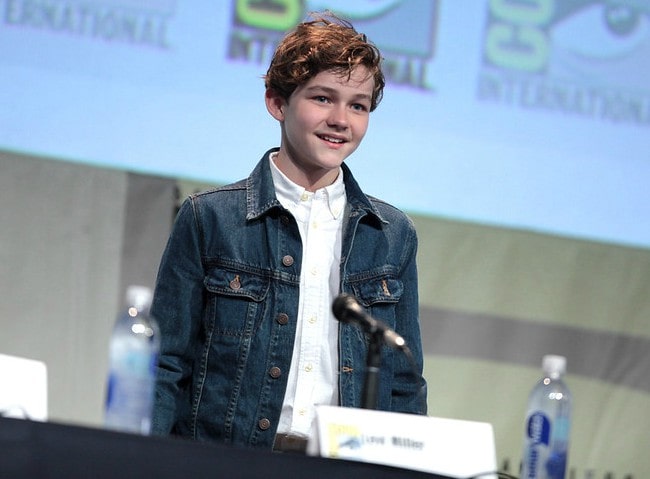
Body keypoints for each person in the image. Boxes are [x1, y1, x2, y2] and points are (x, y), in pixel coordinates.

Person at [150, 11, 427, 452]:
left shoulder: (390, 235)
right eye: (322, 98)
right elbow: (166, 364)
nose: (341, 119)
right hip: (224, 460)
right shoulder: (212, 218)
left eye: (358, 105)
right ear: (277, 102)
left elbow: (404, 386)